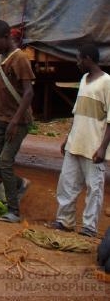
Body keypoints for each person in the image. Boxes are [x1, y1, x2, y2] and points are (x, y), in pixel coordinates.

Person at [48, 43, 110, 237]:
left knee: (94, 188)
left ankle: (89, 227)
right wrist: (68, 138)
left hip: (94, 146)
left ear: (88, 59)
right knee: (66, 183)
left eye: (79, 59)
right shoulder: (83, 79)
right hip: (75, 143)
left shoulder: (107, 82)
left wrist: (102, 148)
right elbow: (77, 113)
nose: (77, 63)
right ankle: (65, 221)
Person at [0, 19, 35, 223]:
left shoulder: (20, 58)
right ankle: (18, 183)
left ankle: (14, 210)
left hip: (18, 121)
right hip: (2, 119)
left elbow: (29, 93)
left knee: (5, 161)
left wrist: (15, 121)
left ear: (7, 37)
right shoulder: (2, 56)